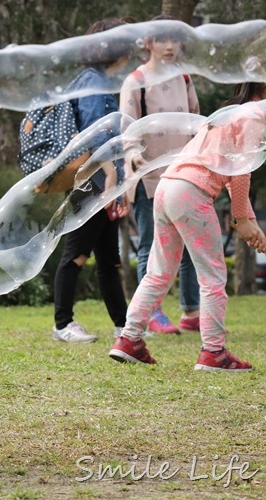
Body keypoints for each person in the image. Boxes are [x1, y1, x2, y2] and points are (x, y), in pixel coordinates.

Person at [110, 82, 266, 371]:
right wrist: (242, 219)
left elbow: (231, 172)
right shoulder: (253, 117)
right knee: (213, 277)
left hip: (168, 188)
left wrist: (249, 220)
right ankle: (213, 352)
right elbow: (242, 170)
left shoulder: (230, 114)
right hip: (193, 194)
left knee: (158, 272)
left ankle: (129, 339)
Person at [119, 14, 201, 335]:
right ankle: (152, 312)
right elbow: (126, 129)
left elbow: (195, 121)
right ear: (148, 43)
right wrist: (132, 153)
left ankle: (192, 312)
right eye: (162, 40)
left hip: (184, 175)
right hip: (149, 178)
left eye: (175, 39)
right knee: (151, 245)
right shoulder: (135, 80)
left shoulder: (184, 79)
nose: (170, 47)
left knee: (191, 245)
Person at [51, 18, 131, 343]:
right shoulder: (92, 82)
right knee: (77, 254)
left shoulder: (97, 81)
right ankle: (62, 325)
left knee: (109, 260)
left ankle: (124, 325)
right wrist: (112, 176)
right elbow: (94, 134)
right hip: (93, 184)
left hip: (103, 185)